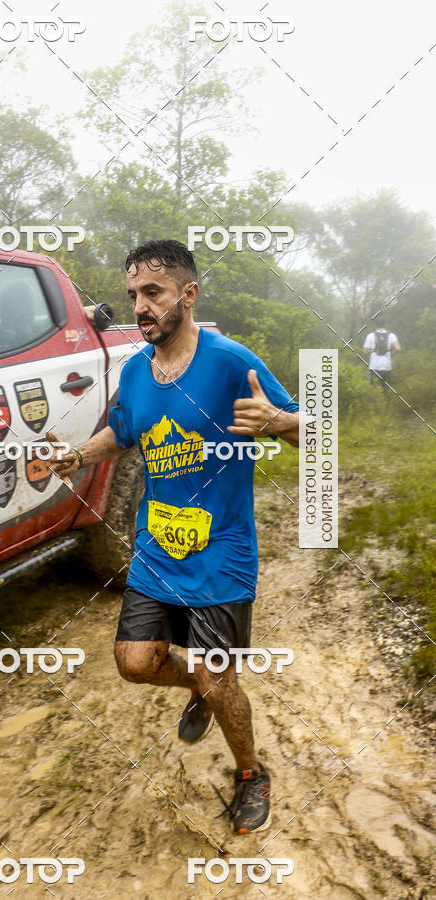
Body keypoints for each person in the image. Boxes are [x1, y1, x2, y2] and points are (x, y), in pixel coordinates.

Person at [47, 240, 300, 834]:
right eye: (134, 294)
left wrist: (282, 422)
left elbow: (315, 432)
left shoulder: (232, 361)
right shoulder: (136, 371)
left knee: (220, 678)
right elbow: (123, 432)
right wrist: (78, 454)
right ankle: (199, 688)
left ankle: (250, 774)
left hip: (222, 554)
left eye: (153, 293)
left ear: (188, 295)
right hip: (157, 550)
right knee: (134, 663)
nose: (140, 305)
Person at [362, 314, 401, 383]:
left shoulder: (370, 335)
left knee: (374, 387)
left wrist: (372, 351)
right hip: (386, 366)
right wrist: (391, 354)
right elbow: (398, 348)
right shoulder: (391, 335)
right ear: (385, 325)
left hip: (374, 366)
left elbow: (364, 352)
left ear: (375, 325)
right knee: (385, 388)